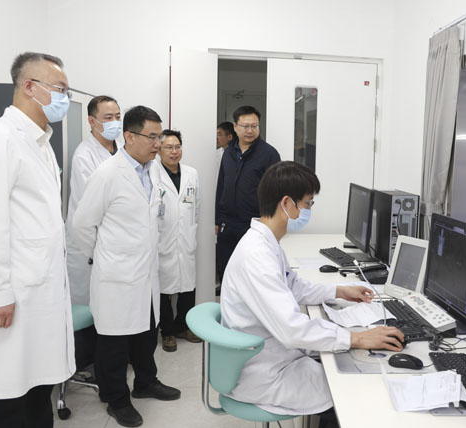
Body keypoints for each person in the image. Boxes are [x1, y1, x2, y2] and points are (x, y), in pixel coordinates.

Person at [220, 161, 404, 427]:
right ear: (287, 203)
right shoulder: (257, 256)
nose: (308, 210)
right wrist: (357, 338)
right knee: (351, 390)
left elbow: (294, 287)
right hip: (264, 373)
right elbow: (292, 329)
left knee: (342, 362)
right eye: (307, 204)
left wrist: (339, 290)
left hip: (272, 355)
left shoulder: (266, 242)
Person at [0, 51, 75, 428]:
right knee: (7, 398)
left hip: (40, 292)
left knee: (36, 391)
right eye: (60, 89)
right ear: (29, 86)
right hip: (13, 295)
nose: (65, 98)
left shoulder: (41, 144)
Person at [72, 106, 181, 427]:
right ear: (129, 137)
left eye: (160, 136)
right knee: (114, 344)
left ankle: (145, 382)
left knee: (145, 335)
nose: (158, 144)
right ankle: (116, 399)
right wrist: (105, 257)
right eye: (152, 137)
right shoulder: (107, 174)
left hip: (146, 273)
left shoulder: (153, 170)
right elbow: (82, 225)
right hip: (116, 276)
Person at [66, 95, 122, 305]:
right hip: (89, 244)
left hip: (115, 242)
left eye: (118, 116)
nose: (115, 122)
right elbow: (91, 207)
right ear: (92, 121)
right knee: (89, 306)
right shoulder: (84, 155)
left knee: (111, 305)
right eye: (108, 117)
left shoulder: (123, 149)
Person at [216, 106, 281, 284]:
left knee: (252, 277)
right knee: (226, 273)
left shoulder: (269, 154)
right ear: (235, 127)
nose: (250, 130)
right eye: (245, 126)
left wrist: (272, 224)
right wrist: (217, 219)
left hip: (255, 225)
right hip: (228, 225)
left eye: (254, 126)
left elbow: (277, 192)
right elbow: (221, 185)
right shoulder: (228, 152)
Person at [153, 129, 202, 352]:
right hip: (162, 239)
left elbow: (196, 207)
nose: (174, 152)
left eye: (177, 147)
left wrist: (190, 228)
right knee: (163, 290)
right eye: (169, 147)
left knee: (187, 287)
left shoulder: (191, 173)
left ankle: (183, 326)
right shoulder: (152, 173)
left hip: (185, 238)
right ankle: (168, 332)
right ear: (159, 150)